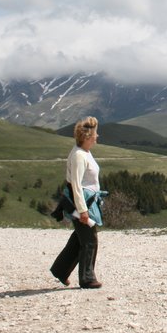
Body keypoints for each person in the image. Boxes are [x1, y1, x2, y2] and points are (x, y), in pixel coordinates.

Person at [50, 116, 104, 289]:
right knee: (90, 240)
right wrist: (82, 210)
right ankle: (87, 278)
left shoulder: (84, 152)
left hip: (86, 201)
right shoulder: (79, 156)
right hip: (79, 203)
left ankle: (60, 269)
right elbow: (76, 185)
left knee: (79, 238)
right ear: (88, 137)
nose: (97, 137)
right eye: (95, 134)